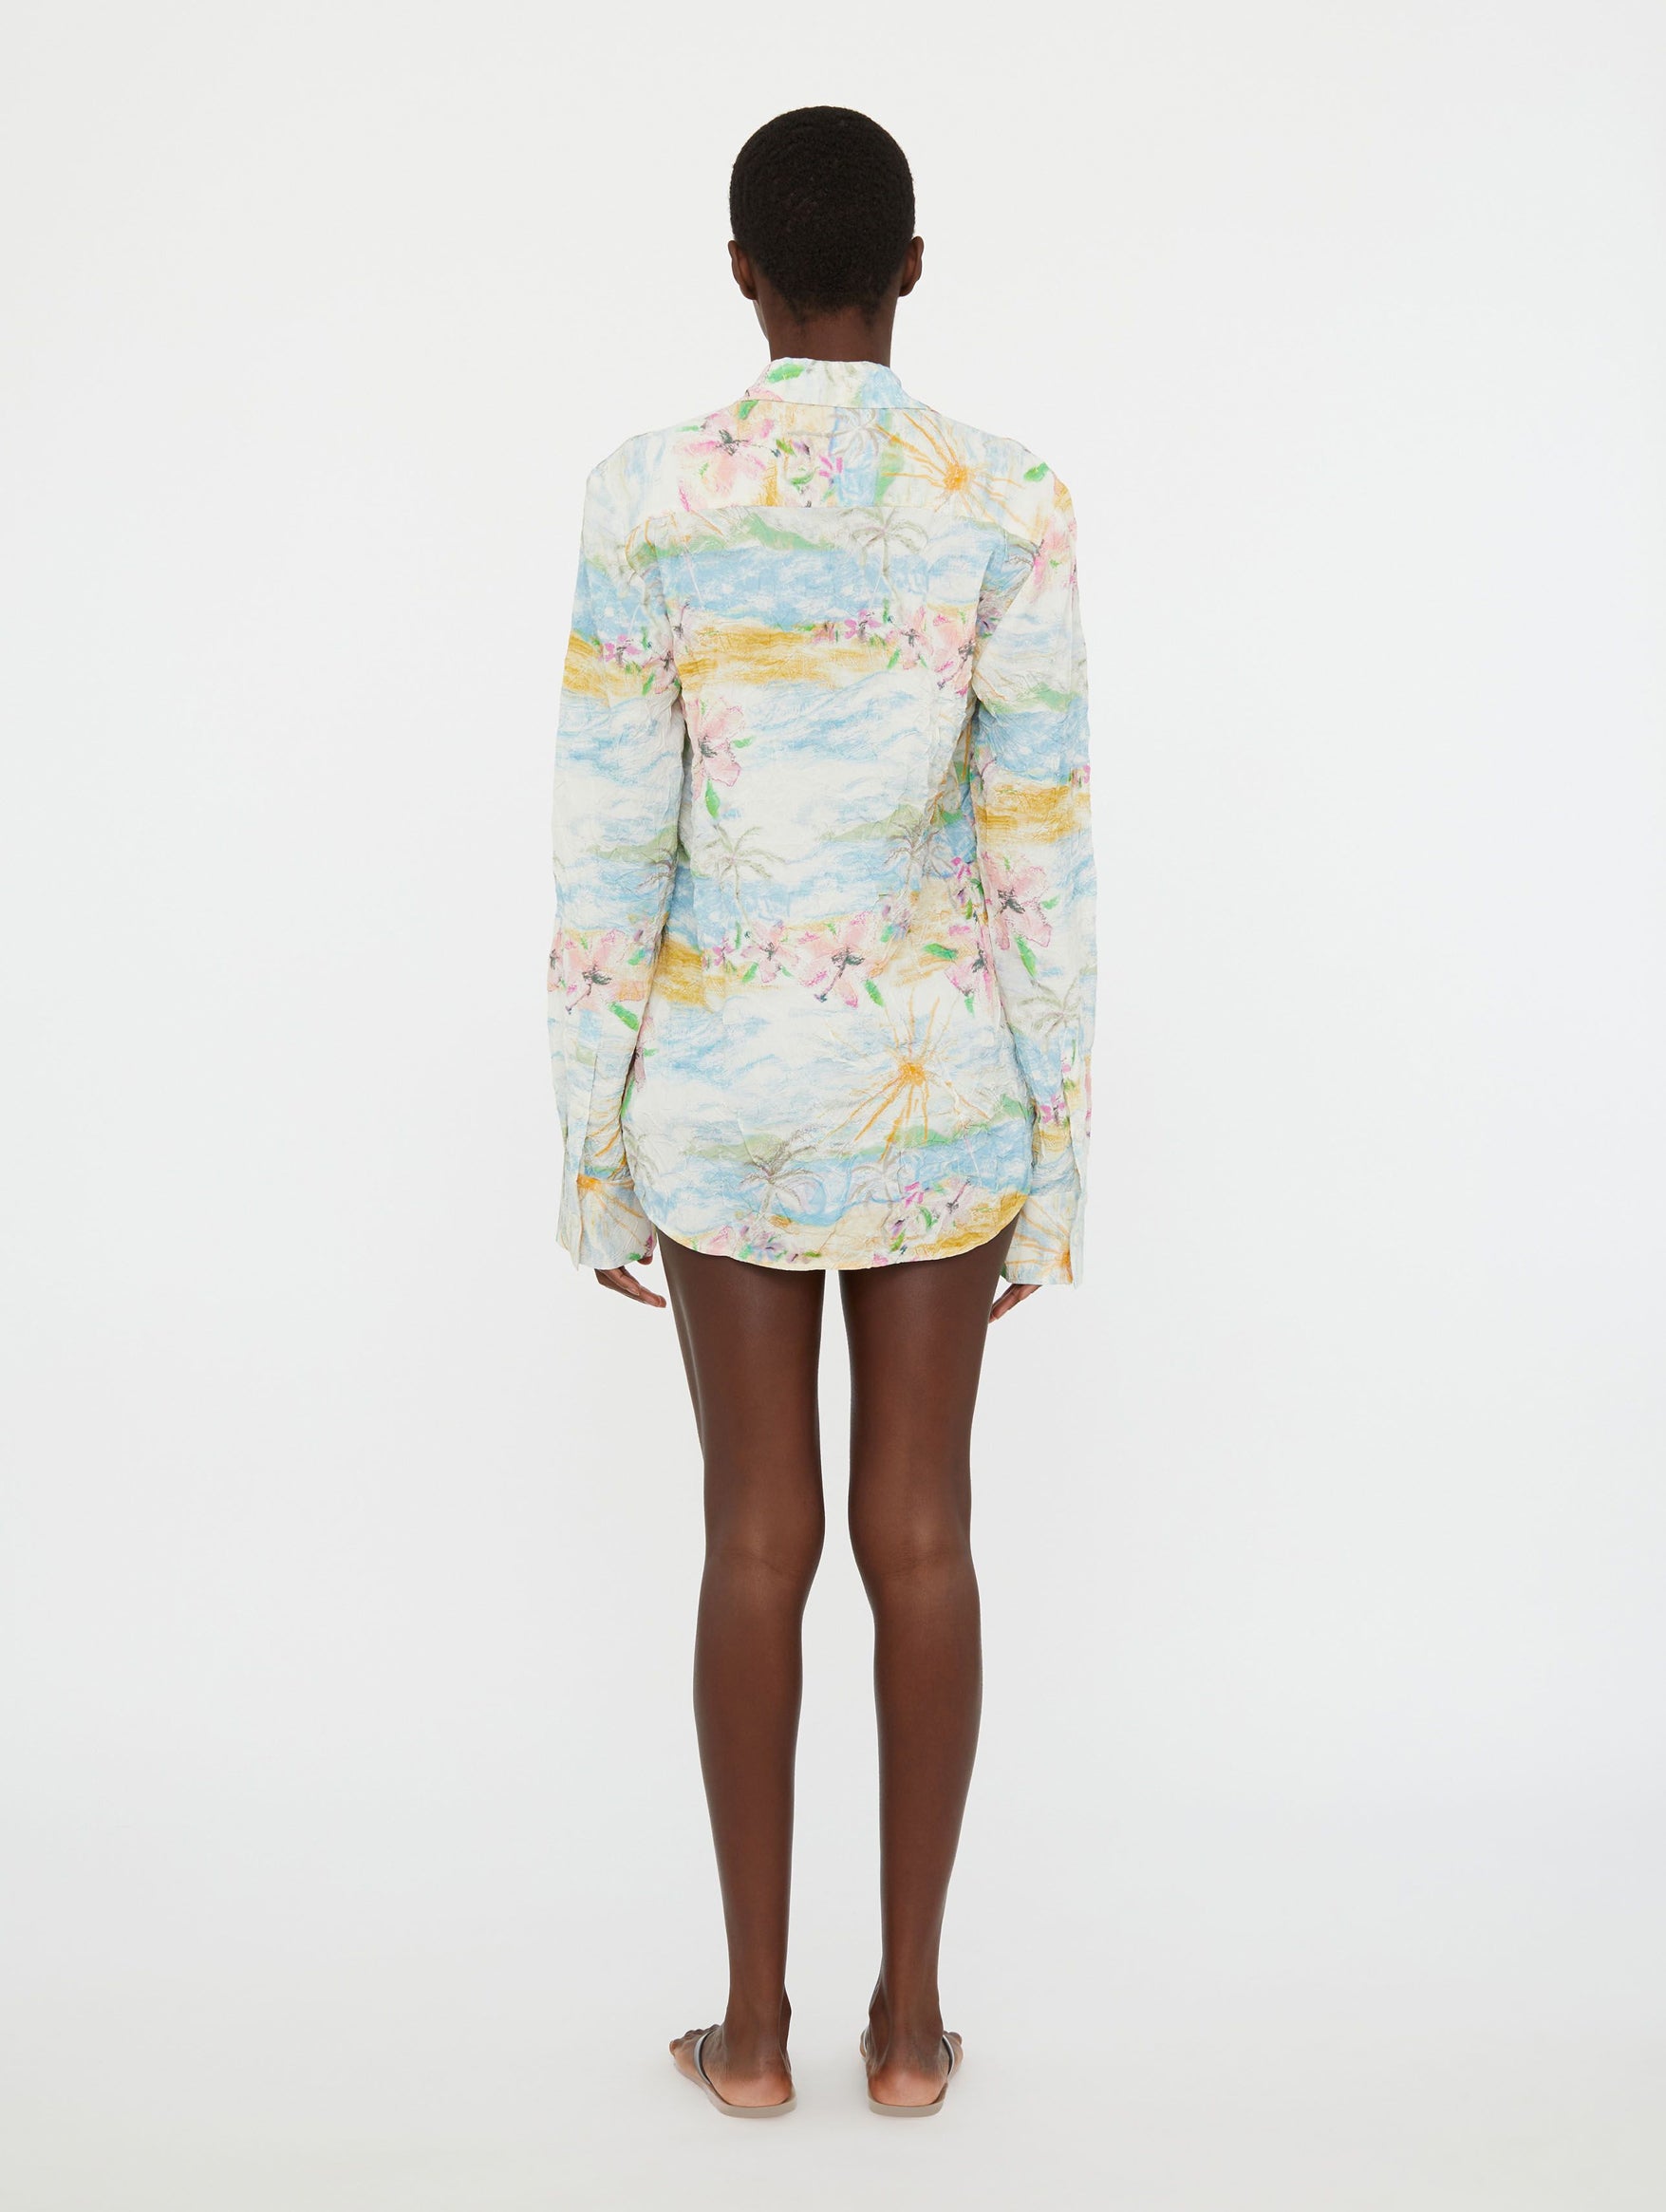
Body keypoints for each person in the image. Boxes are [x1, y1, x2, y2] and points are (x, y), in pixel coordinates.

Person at [548, 104, 1095, 2118]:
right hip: (937, 1092)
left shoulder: (645, 499)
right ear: (912, 268)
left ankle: (754, 2031)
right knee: (923, 1533)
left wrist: (592, 1146)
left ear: (742, 277)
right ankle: (914, 2030)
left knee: (754, 1536)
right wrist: (1055, 1159)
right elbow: (1041, 849)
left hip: (722, 1098)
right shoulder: (1007, 499)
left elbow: (611, 838)